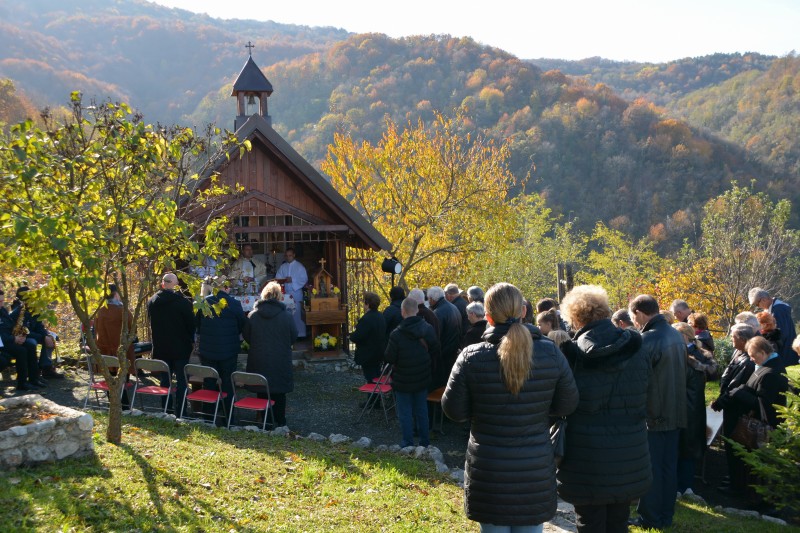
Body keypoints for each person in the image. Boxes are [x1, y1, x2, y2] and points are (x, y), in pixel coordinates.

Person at [442, 282, 578, 532]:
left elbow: (454, 411)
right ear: (523, 311)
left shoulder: (471, 356)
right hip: (534, 465)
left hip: (489, 467)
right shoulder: (550, 353)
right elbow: (568, 403)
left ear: (488, 316)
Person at [557, 285, 651, 533]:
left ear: (576, 317)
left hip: (587, 453)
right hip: (629, 448)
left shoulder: (574, 354)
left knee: (589, 521)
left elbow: (566, 402)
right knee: (619, 521)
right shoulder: (637, 348)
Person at [628, 294, 687, 530]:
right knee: (668, 467)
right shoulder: (675, 334)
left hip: (655, 414)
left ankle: (650, 517)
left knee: (652, 468)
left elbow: (638, 379)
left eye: (633, 317)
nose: (634, 322)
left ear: (639, 313)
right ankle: (665, 514)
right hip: (675, 412)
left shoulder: (648, 340)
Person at [383, 297, 439, 448]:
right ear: (417, 310)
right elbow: (435, 349)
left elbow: (389, 357)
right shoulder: (427, 329)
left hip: (402, 378)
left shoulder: (396, 334)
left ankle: (407, 443)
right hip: (422, 376)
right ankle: (424, 442)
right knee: (422, 410)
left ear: (403, 312)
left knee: (405, 412)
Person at [710, 324, 757, 495]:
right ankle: (733, 478)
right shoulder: (739, 353)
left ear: (743, 339)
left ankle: (737, 485)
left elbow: (736, 386)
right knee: (731, 446)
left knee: (735, 445)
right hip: (729, 407)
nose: (731, 341)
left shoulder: (748, 361)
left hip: (736, 409)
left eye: (733, 338)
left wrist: (720, 402)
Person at [244, 281, 298, 428]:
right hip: (280, 358)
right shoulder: (286, 316)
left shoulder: (253, 315)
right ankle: (280, 422)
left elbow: (247, 336)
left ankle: (265, 420)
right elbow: (294, 335)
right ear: (279, 295)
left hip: (259, 358)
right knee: (279, 393)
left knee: (262, 390)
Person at [195, 277, 246, 421]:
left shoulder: (204, 302)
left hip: (208, 349)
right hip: (229, 350)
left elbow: (198, 325)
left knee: (209, 381)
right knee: (228, 382)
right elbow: (242, 323)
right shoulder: (234, 304)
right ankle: (228, 416)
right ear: (227, 288)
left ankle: (208, 416)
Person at [672, 322, 711, 497]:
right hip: (691, 408)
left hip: (687, 408)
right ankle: (683, 485)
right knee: (685, 448)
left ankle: (682, 485)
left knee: (684, 448)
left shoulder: (688, 359)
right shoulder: (697, 355)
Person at [147, 272, 195, 413]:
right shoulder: (183, 303)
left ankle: (166, 409)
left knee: (165, 381)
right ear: (176, 286)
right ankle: (181, 410)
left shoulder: (152, 301)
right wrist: (191, 341)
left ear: (163, 284)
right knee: (181, 381)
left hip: (161, 347)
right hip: (181, 348)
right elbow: (191, 326)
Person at [13, 287, 63, 379]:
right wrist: (43, 337)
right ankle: (32, 369)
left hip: (34, 334)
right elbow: (23, 330)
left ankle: (46, 367)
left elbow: (39, 326)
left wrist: (46, 335)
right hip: (22, 336)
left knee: (52, 337)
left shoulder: (34, 308)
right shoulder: (17, 310)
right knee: (32, 342)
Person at [0, 289, 41, 392]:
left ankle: (34, 379)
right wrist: (14, 339)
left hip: (10, 339)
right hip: (3, 343)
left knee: (30, 346)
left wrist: (19, 335)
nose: (1, 303)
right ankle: (22, 383)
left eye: (2, 301)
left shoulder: (3, 310)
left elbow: (10, 325)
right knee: (21, 351)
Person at [749, 287, 797, 366]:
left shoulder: (778, 310)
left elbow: (781, 334)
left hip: (785, 354)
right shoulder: (774, 309)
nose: (757, 306)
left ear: (764, 299)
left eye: (757, 304)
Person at [95, 283, 135, 374]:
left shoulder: (99, 311)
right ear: (116, 294)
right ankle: (124, 384)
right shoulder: (123, 311)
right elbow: (133, 329)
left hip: (103, 350)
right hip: (121, 350)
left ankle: (111, 384)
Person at [350, 291, 387, 385]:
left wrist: (351, 336)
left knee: (370, 378)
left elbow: (357, 336)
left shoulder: (366, 319)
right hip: (379, 352)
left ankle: (373, 399)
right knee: (376, 376)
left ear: (367, 304)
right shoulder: (381, 316)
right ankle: (376, 398)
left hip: (368, 354)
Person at [428, 286, 462, 388]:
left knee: (440, 387)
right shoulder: (453, 307)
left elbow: (435, 337)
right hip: (452, 352)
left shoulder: (438, 313)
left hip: (443, 355)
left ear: (432, 299)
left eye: (429, 298)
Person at [275, 247, 308, 339]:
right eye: (286, 255)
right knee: (286, 313)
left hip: (296, 293)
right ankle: (287, 334)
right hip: (285, 293)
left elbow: (304, 279)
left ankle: (300, 334)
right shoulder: (283, 266)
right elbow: (278, 277)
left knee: (297, 314)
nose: (288, 257)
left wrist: (292, 280)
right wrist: (284, 280)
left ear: (294, 255)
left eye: (290, 255)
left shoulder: (300, 266)